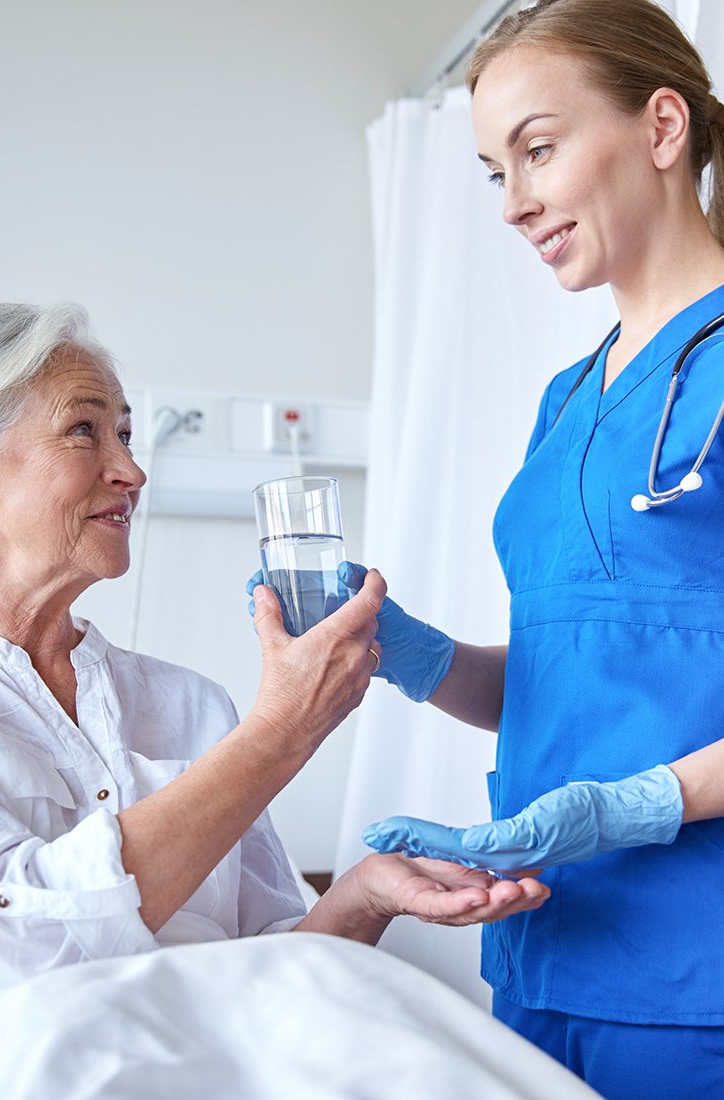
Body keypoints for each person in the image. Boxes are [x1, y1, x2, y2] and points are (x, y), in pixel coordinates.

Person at [0, 301, 548, 1040]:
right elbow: (22, 952)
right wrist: (280, 733)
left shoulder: (187, 704)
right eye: (84, 431)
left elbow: (272, 973)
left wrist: (362, 898)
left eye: (125, 434)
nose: (131, 469)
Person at [335, 0, 724, 1096]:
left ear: (660, 127)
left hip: (695, 972)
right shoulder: (566, 399)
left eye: (536, 150)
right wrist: (410, 656)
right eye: (490, 171)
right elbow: (570, 679)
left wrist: (632, 803)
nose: (510, 203)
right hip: (541, 951)